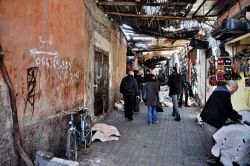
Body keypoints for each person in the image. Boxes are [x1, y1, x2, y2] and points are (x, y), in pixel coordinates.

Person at [200, 80, 242, 164]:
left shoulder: (220, 90)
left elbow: (225, 108)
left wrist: (234, 116)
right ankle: (210, 158)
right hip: (210, 119)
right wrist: (237, 117)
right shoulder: (224, 94)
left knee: (213, 138)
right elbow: (227, 109)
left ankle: (214, 155)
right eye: (235, 90)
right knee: (210, 139)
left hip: (211, 117)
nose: (234, 92)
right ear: (233, 88)